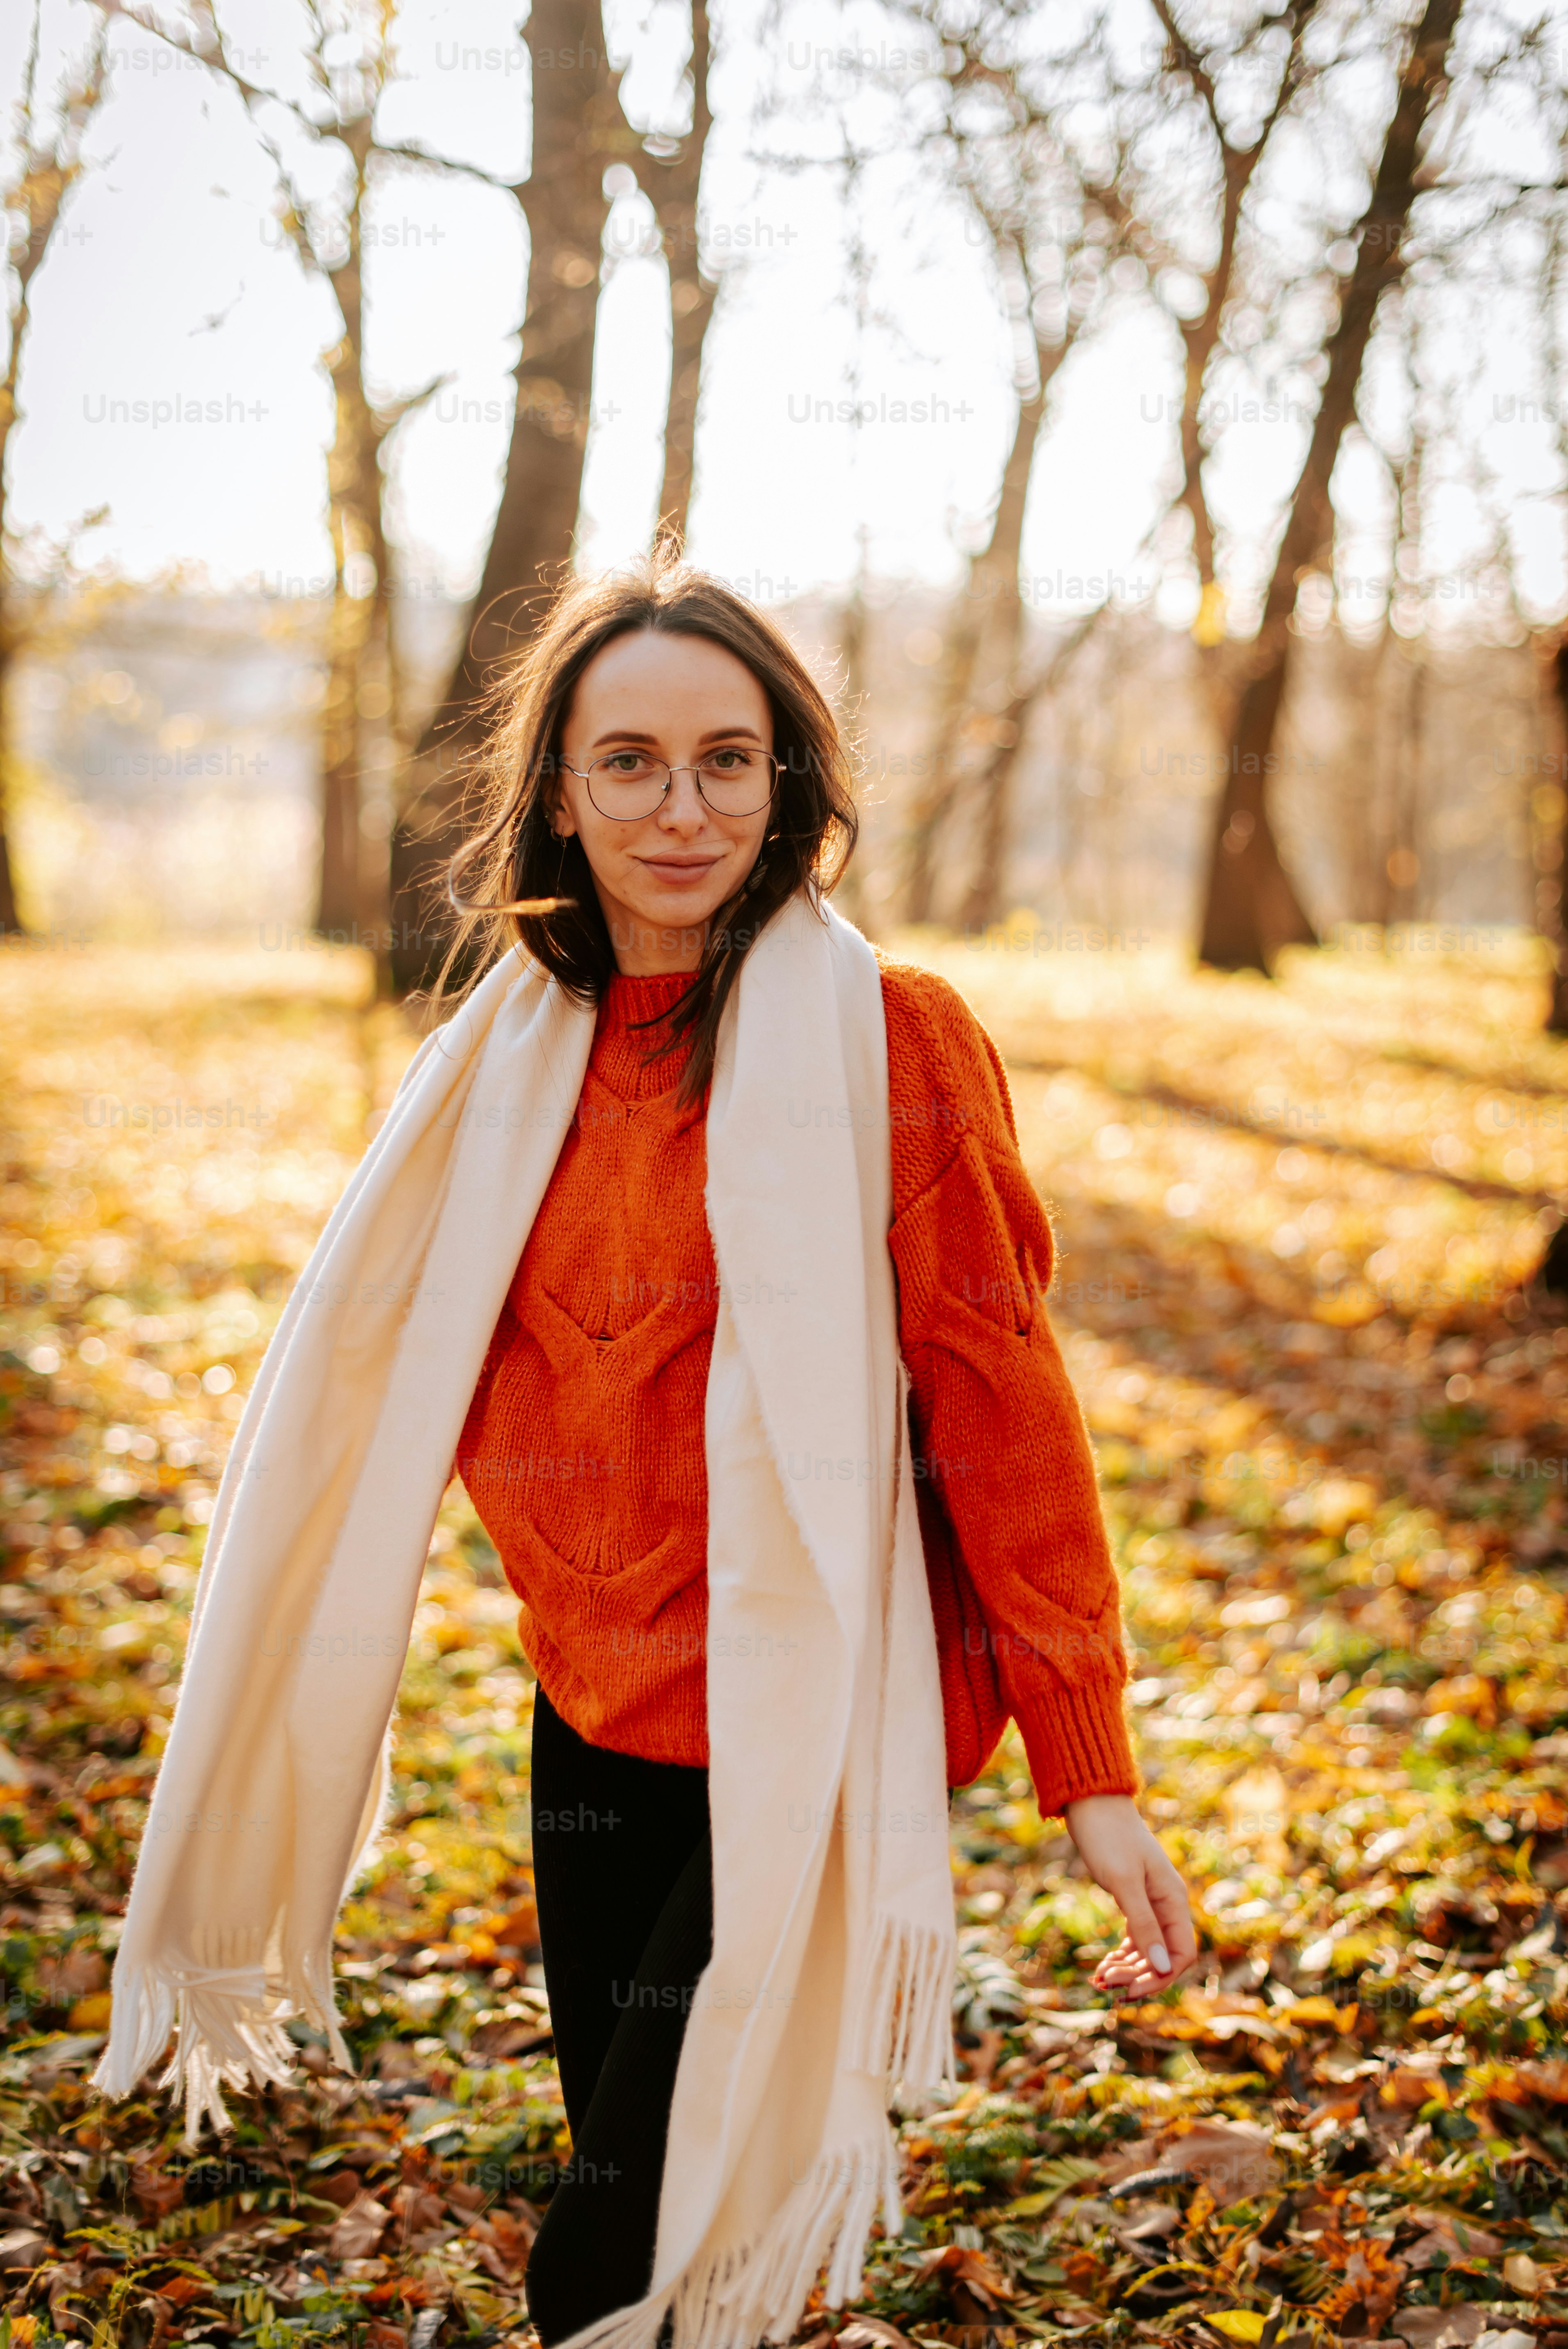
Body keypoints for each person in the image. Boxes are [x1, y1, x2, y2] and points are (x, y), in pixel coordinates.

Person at [432, 554, 1198, 2347]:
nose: (677, 805)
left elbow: (1005, 1409)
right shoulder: (505, 1060)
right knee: (666, 2212)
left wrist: (1088, 1767)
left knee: (598, 2264)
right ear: (558, 786)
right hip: (592, 1716)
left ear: (789, 783)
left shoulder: (890, 1041)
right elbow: (431, 1376)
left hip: (810, 1716)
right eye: (627, 760)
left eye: (727, 757)